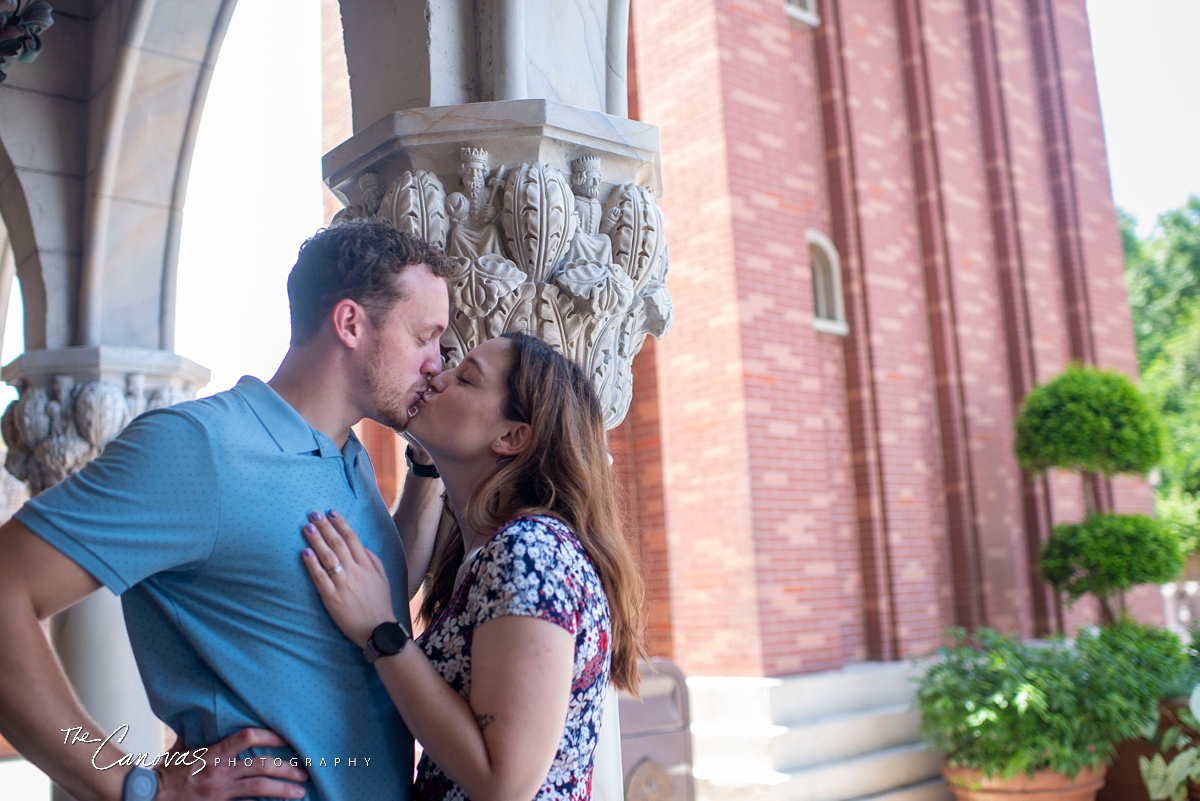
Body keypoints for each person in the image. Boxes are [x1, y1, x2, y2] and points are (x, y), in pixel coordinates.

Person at [0, 219, 454, 801]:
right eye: (425, 337)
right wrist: (132, 784)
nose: (437, 364)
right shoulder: (197, 449)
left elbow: (373, 596)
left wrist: (428, 467)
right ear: (349, 323)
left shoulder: (349, 456)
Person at [299, 331, 646, 800]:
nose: (437, 378)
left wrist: (380, 629)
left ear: (511, 436)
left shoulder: (531, 554)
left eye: (465, 378)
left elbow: (504, 783)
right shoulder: (492, 551)